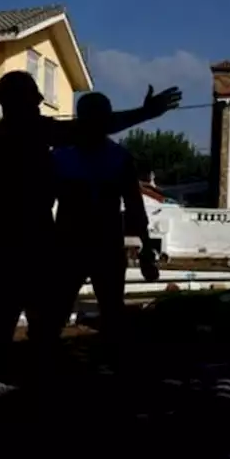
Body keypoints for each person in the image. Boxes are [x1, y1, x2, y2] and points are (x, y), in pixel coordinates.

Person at [0, 71, 180, 365]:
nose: (39, 104)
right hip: (39, 242)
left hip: (13, 241)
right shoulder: (37, 135)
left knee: (6, 321)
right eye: (34, 100)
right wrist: (146, 112)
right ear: (18, 103)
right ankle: (30, 387)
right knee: (41, 324)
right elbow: (92, 128)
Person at [47, 92, 158, 345]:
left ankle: (48, 367)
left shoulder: (62, 157)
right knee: (105, 309)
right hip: (91, 244)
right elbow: (134, 207)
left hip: (77, 244)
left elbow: (134, 205)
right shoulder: (117, 158)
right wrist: (147, 246)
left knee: (60, 312)